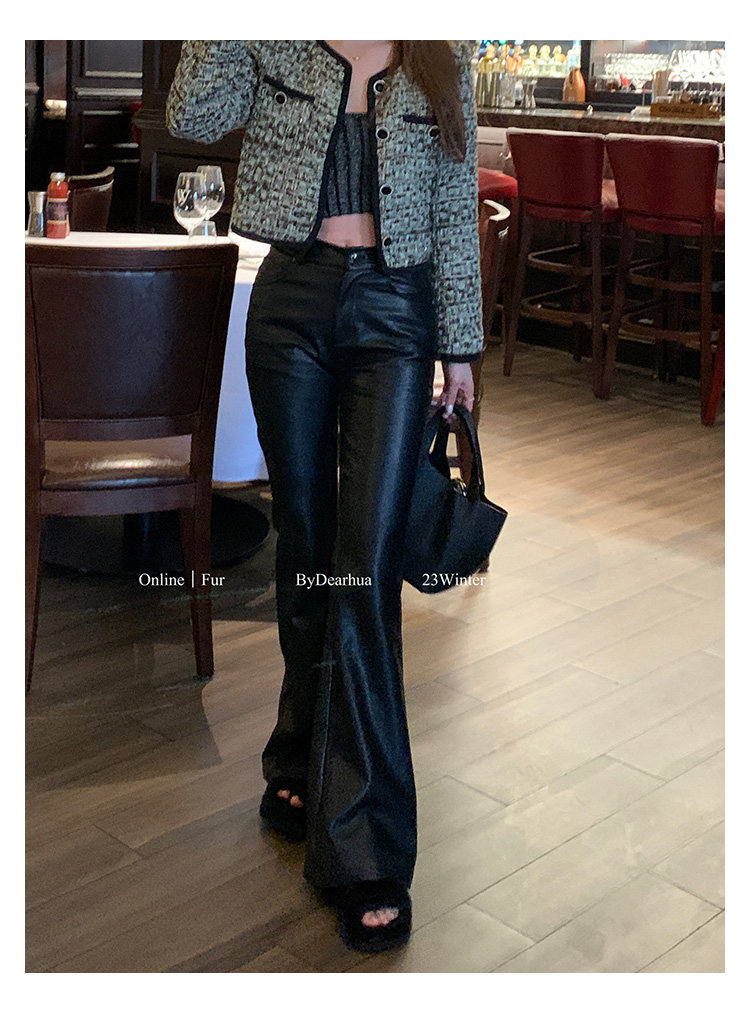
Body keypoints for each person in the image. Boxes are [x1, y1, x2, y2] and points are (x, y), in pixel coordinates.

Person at [167, 38, 483, 952]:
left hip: (396, 312)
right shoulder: (274, 35)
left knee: (364, 570)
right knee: (306, 552)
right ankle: (298, 755)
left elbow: (455, 199)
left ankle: (366, 844)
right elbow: (192, 115)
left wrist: (460, 343)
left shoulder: (441, 52)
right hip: (290, 306)